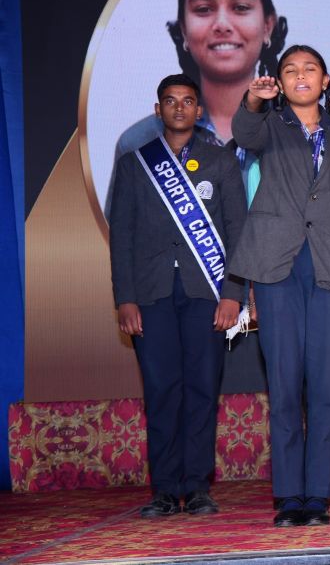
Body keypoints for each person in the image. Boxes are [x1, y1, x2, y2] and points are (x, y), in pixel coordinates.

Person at [231, 45, 330, 527]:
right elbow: (243, 132)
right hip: (276, 268)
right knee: (285, 382)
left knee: (324, 385)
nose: (300, 76)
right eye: (289, 70)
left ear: (325, 79)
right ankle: (289, 494)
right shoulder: (269, 127)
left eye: (309, 69)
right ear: (280, 82)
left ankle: (318, 494)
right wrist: (253, 99)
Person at [108, 74, 247, 517]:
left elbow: (238, 231)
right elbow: (121, 237)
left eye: (188, 101)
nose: (180, 108)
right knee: (161, 390)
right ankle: (165, 489)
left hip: (206, 292)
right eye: (171, 101)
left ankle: (198, 486)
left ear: (199, 110)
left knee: (202, 388)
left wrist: (233, 293)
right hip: (150, 295)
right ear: (158, 109)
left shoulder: (220, 161)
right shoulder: (135, 163)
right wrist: (125, 298)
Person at [111, 0, 287, 207]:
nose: (222, 25)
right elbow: (123, 226)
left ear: (268, 26)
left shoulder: (292, 133)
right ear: (183, 28)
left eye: (240, 7)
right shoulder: (140, 141)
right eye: (203, 9)